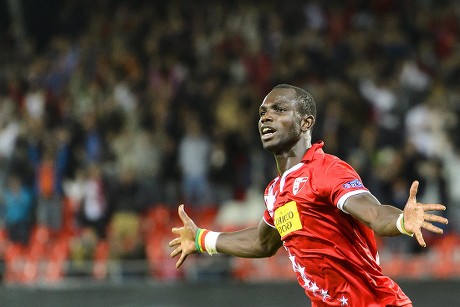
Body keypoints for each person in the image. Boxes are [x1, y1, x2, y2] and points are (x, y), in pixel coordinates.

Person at [169, 84, 448, 306]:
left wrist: (401, 221)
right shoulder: (275, 192)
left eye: (279, 110)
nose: (266, 117)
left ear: (306, 123)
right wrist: (201, 239)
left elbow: (373, 213)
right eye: (263, 112)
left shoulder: (326, 170)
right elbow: (263, 242)